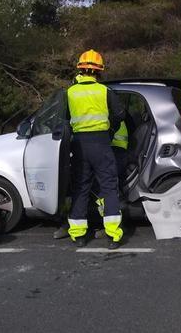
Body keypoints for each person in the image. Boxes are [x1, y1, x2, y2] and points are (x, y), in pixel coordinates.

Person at [64, 49, 126, 248]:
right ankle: (113, 236)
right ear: (99, 71)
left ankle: (78, 235)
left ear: (80, 69)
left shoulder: (70, 93)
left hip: (79, 145)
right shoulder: (105, 91)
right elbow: (119, 115)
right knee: (109, 187)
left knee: (80, 188)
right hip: (101, 143)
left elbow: (63, 120)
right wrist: (110, 131)